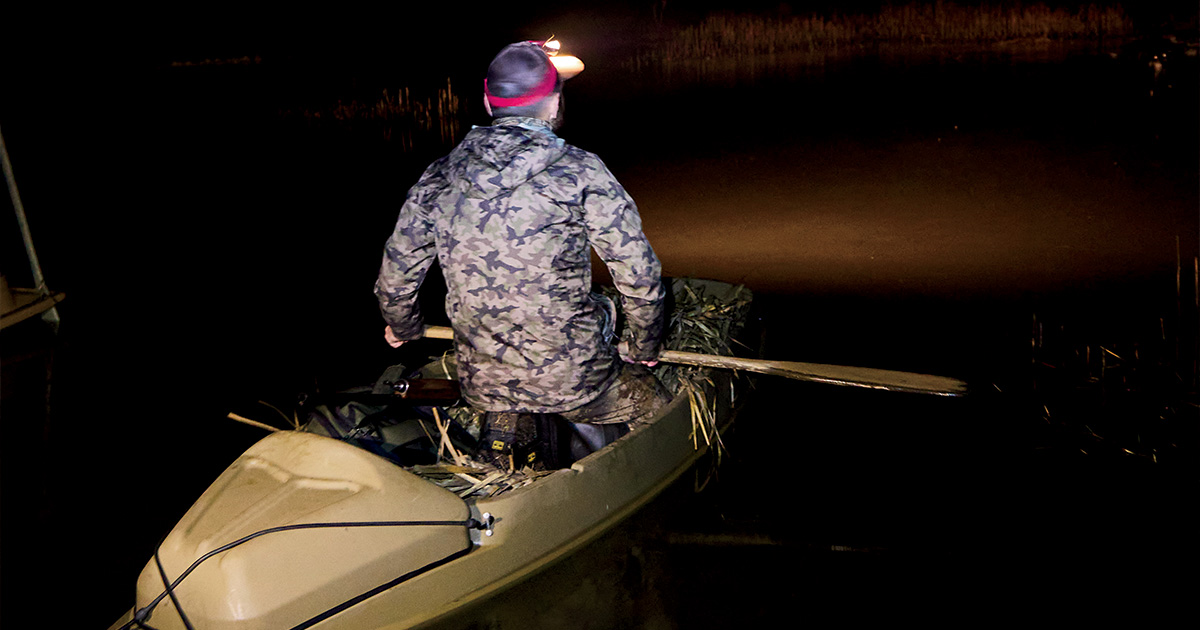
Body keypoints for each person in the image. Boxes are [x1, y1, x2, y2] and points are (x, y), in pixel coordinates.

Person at [375, 40, 671, 470]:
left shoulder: (438, 176)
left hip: (483, 381)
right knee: (657, 403)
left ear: (486, 100)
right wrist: (644, 344)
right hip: (576, 381)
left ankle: (508, 428)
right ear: (553, 103)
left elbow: (396, 279)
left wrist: (404, 326)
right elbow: (640, 278)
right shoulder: (581, 171)